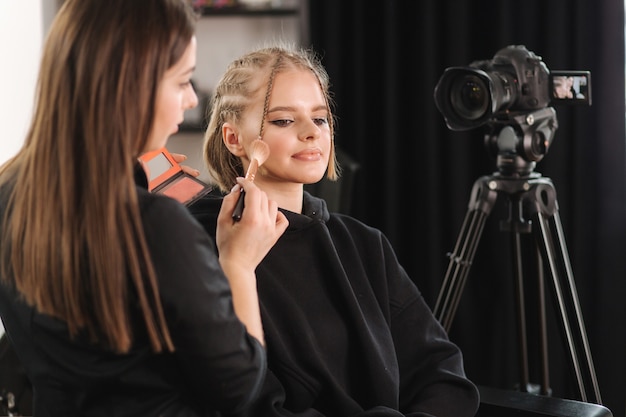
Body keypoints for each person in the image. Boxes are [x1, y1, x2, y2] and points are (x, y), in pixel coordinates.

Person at [0, 1, 288, 416]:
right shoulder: (154, 225)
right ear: (128, 88)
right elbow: (239, 389)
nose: (191, 100)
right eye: (182, 82)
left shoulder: (13, 194)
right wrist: (238, 264)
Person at [188, 44, 480, 417]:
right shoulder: (197, 244)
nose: (311, 133)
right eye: (282, 120)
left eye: (321, 118)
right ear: (233, 139)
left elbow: (443, 375)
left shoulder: (363, 245)